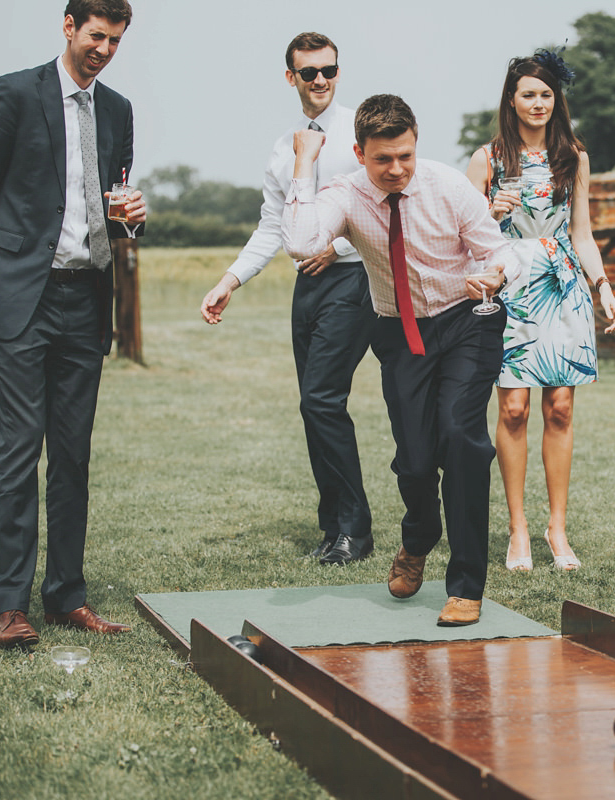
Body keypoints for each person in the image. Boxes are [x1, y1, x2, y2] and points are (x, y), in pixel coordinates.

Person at [0, 0, 146, 648]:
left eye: (116, 40)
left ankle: (65, 597)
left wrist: (132, 215)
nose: (104, 49)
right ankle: (10, 606)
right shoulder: (16, 93)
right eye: (96, 35)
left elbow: (115, 206)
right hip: (23, 297)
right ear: (69, 26)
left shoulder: (120, 110)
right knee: (20, 450)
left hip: (85, 300)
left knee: (72, 456)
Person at [281, 94, 520, 626]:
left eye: (405, 156)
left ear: (416, 146)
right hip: (399, 331)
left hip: (467, 320)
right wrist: (304, 161)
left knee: (462, 439)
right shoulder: (344, 193)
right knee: (413, 459)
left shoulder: (448, 186)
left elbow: (498, 250)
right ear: (359, 152)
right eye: (383, 159)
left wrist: (496, 275)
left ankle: (464, 584)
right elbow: (300, 243)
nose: (396, 170)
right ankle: (419, 537)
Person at [200, 32, 375, 566]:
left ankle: (355, 531)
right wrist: (229, 280)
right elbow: (273, 227)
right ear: (291, 78)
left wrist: (337, 243)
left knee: (321, 399)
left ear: (338, 72)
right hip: (308, 287)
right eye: (309, 72)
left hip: (355, 279)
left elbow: (385, 202)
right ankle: (333, 527)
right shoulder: (284, 148)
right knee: (314, 408)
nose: (320, 80)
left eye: (328, 70)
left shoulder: (360, 132)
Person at [465, 51, 615, 572]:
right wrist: (490, 212)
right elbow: (461, 236)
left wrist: (602, 284)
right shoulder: (486, 158)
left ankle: (558, 528)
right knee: (512, 410)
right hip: (510, 282)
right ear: (512, 98)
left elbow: (582, 232)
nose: (538, 103)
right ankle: (518, 531)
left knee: (560, 408)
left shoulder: (573, 156)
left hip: (563, 283)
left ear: (558, 101)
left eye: (547, 95)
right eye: (529, 94)